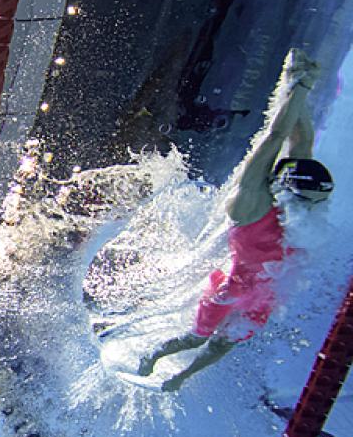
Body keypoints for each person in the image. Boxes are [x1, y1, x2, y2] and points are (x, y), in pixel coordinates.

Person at [136, 49, 332, 392]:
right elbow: (274, 140)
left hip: (268, 291)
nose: (313, 208)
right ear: (285, 188)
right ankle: (154, 356)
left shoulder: (295, 205)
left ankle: (181, 377)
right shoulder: (250, 204)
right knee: (197, 338)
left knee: (224, 345)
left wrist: (300, 87)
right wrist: (299, 84)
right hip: (233, 289)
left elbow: (302, 141)